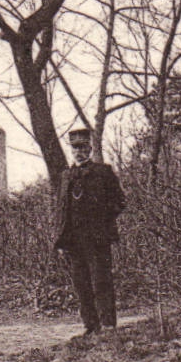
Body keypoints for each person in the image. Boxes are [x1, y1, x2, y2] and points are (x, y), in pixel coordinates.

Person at [54, 127, 125, 335]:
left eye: (83, 147)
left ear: (90, 148)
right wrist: (60, 239)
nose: (79, 151)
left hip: (98, 238)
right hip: (74, 241)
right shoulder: (67, 176)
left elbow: (119, 201)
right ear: (71, 150)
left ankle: (108, 324)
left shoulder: (103, 172)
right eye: (75, 148)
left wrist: (102, 219)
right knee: (81, 284)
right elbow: (62, 209)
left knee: (101, 281)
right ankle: (90, 326)